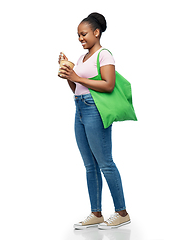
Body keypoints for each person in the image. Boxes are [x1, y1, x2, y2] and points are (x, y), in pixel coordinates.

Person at [58, 12, 131, 230]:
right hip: (79, 108)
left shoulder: (104, 55)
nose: (80, 38)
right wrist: (68, 74)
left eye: (84, 34)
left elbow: (108, 85)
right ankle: (96, 213)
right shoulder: (81, 59)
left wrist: (77, 77)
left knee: (105, 163)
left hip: (95, 110)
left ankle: (122, 213)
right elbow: (78, 88)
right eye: (78, 35)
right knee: (90, 165)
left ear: (96, 32)